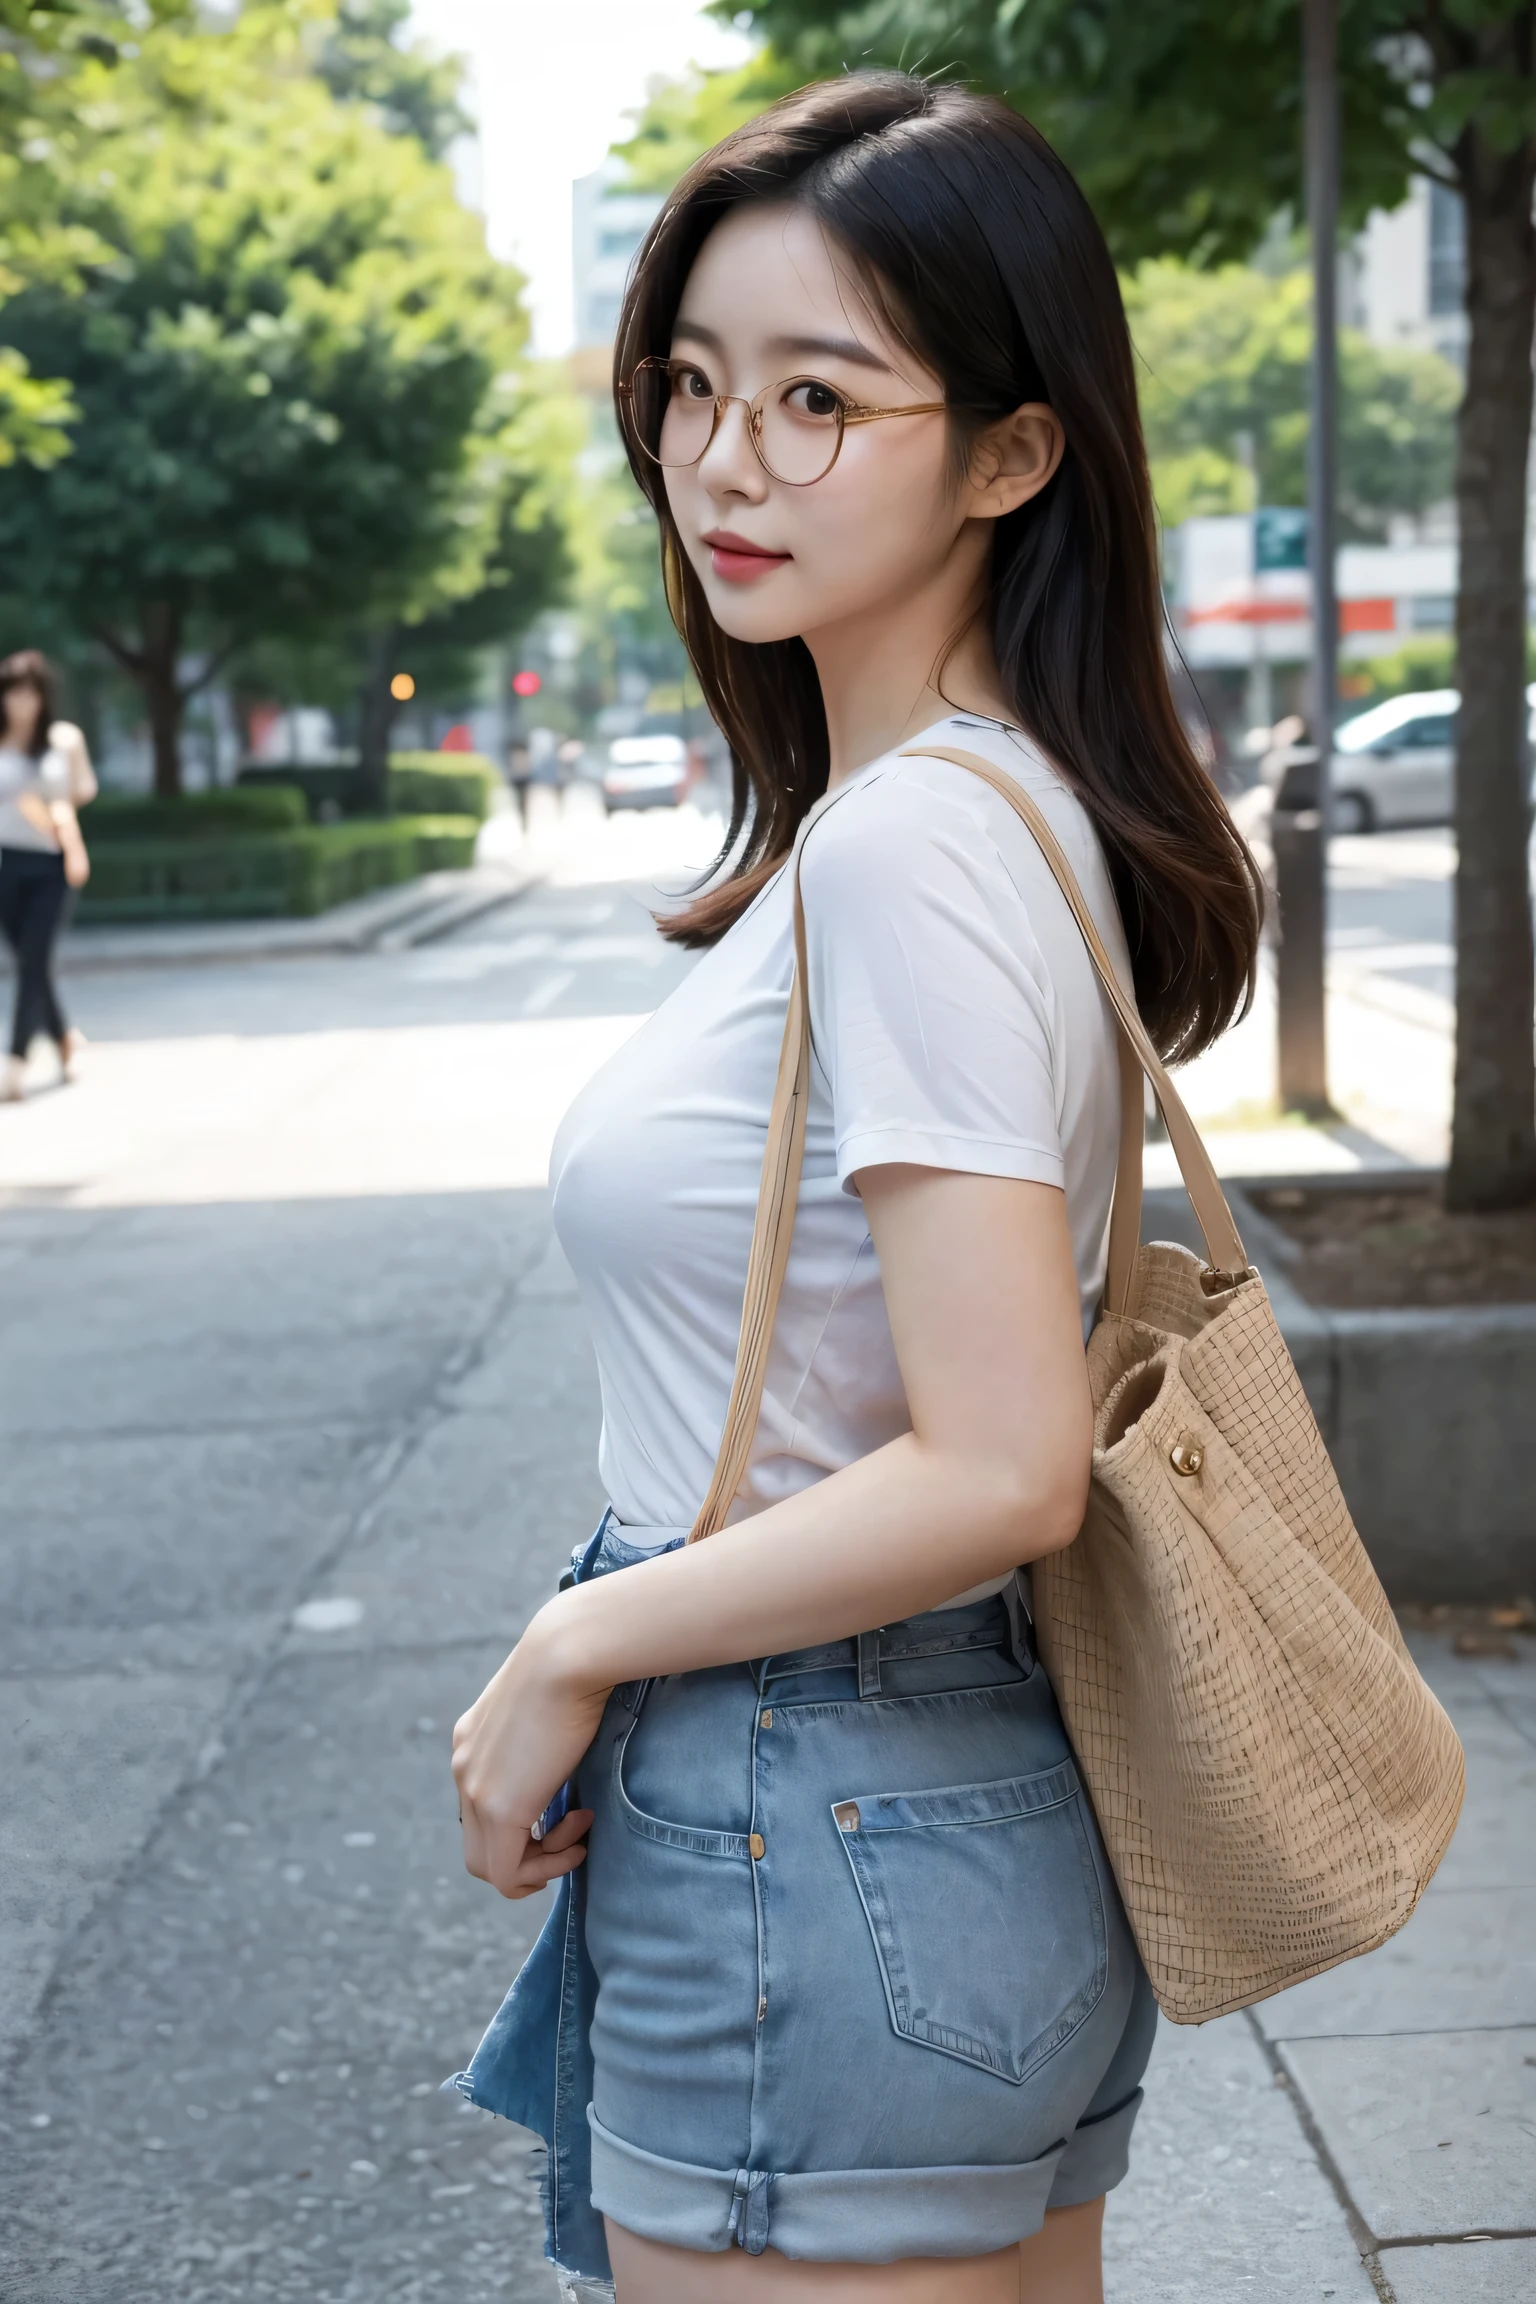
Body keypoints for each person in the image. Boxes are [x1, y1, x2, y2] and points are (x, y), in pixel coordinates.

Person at [450, 74, 1262, 2304]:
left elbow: (1003, 1463)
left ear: (1012, 454)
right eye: (694, 386)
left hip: (809, 1806)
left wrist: (572, 1638)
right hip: (963, 1820)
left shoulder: (913, 847)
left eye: (821, 400)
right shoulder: (991, 807)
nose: (725, 460)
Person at [0, 649, 95, 1101]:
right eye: (15, 693)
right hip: (4, 862)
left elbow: (83, 789)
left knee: (35, 960)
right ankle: (65, 1040)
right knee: (30, 963)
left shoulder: (63, 740)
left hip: (50, 860)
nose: (23, 703)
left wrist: (55, 809)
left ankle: (15, 1061)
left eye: (31, 693)